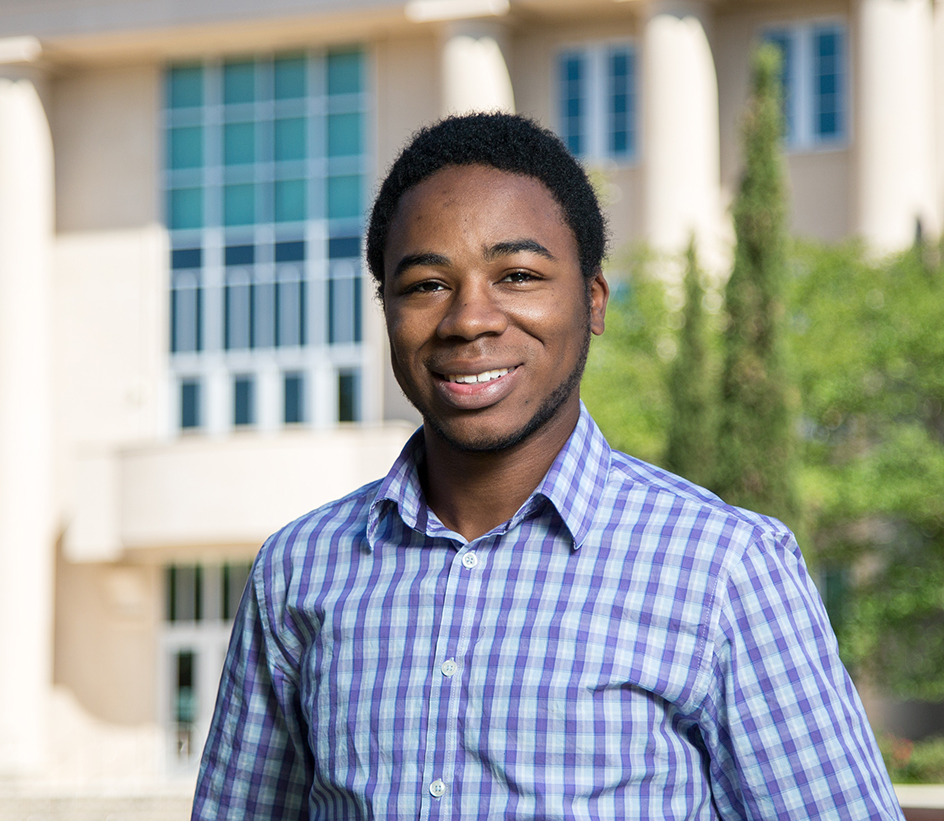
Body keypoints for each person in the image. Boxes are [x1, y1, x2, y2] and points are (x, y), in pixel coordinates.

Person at [193, 113, 902, 820]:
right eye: (426, 285)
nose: (470, 318)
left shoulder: (725, 568)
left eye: (519, 275)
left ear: (592, 301)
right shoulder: (298, 568)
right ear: (387, 311)